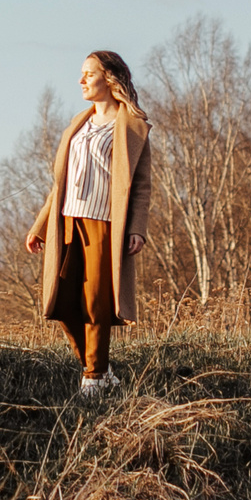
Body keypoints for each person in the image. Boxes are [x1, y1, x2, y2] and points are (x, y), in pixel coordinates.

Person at [25, 50, 155, 399]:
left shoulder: (133, 128)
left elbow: (141, 186)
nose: (82, 80)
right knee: (61, 302)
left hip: (105, 224)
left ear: (109, 79)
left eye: (89, 74)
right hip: (66, 221)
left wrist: (137, 228)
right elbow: (60, 184)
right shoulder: (77, 124)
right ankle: (101, 369)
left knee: (95, 302)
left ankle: (94, 377)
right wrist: (40, 226)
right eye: (82, 74)